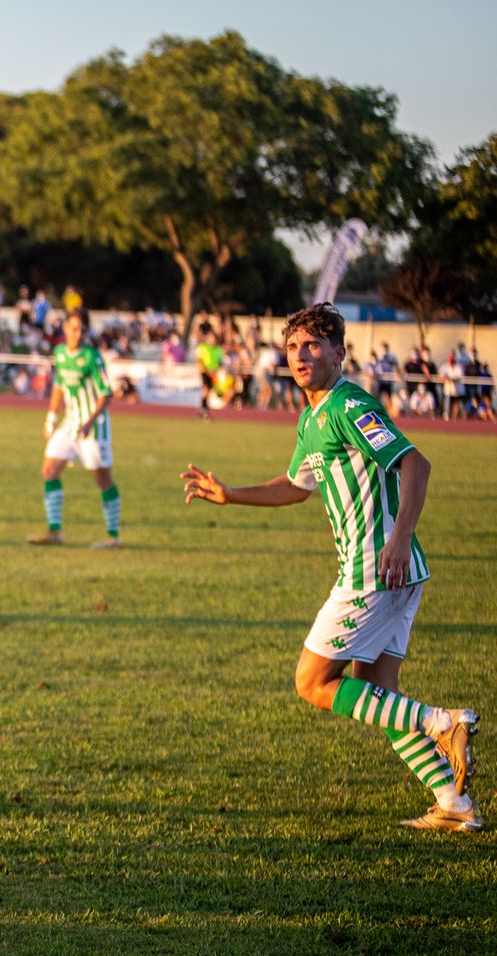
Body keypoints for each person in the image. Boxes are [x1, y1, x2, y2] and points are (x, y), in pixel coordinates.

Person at [180, 303, 479, 832]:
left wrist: (399, 536)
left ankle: (444, 722)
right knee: (376, 695)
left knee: (312, 682)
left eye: (313, 345)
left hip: (373, 569)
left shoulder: (348, 405)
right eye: (293, 346)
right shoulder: (313, 416)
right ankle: (453, 805)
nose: (301, 355)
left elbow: (416, 463)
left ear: (340, 352)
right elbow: (297, 485)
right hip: (397, 573)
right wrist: (231, 495)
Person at [28, 308, 122, 548]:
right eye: (73, 328)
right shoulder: (59, 353)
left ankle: (113, 537)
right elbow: (59, 387)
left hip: (94, 426)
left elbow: (106, 393)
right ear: (64, 329)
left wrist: (89, 422)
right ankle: (54, 532)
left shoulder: (92, 357)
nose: (77, 333)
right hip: (70, 423)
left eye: (82, 329)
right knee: (49, 469)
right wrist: (51, 417)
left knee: (102, 479)